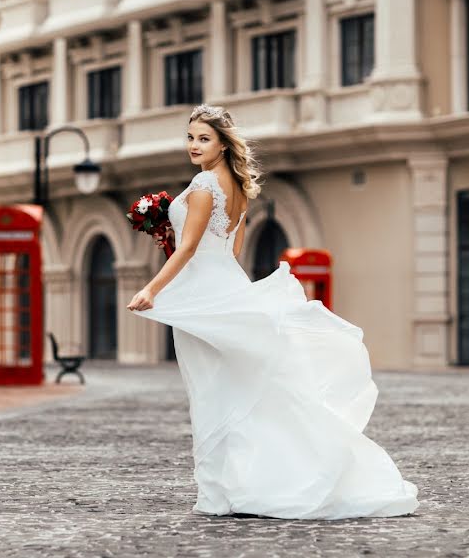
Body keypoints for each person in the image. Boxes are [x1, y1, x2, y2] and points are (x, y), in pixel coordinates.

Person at [127, 104, 419, 520]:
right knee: (243, 390)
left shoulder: (204, 183)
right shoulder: (239, 188)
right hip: (227, 286)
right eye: (190, 137)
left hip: (201, 297)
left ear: (224, 144)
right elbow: (233, 251)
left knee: (213, 392)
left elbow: (190, 248)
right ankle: (245, 483)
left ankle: (224, 490)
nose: (194, 145)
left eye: (203, 138)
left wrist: (152, 288)